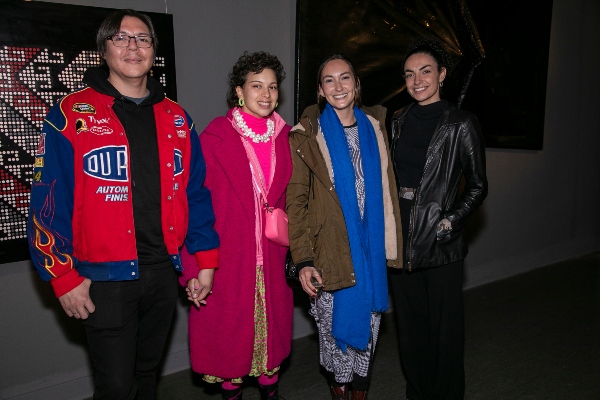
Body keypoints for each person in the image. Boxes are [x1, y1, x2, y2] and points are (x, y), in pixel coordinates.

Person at [27, 9, 220, 400]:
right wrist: (62, 276)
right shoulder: (70, 114)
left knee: (147, 376)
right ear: (104, 49)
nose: (133, 47)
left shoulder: (178, 118)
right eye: (121, 38)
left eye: (142, 39)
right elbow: (48, 201)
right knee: (116, 387)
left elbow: (195, 194)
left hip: (162, 273)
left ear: (153, 51)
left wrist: (205, 262)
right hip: (103, 280)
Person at [287, 54, 403, 400]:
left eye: (345, 78)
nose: (338, 86)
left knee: (369, 335)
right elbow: (297, 202)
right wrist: (303, 259)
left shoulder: (376, 127)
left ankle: (360, 391)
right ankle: (340, 389)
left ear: (357, 84)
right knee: (334, 343)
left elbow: (386, 192)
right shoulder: (308, 135)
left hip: (370, 253)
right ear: (320, 91)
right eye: (329, 80)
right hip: (328, 254)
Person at [178, 51, 293, 400]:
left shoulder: (287, 138)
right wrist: (193, 268)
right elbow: (192, 207)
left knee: (270, 349)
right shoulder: (215, 138)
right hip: (227, 261)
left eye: (272, 86)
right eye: (256, 85)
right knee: (230, 351)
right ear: (239, 92)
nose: (266, 94)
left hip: (272, 260)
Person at [389, 38, 488, 400]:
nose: (417, 80)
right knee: (410, 329)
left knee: (445, 332)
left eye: (426, 71)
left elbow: (478, 185)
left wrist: (450, 221)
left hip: (441, 242)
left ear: (442, 74)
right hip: (400, 239)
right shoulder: (397, 120)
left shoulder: (462, 123)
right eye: (409, 74)